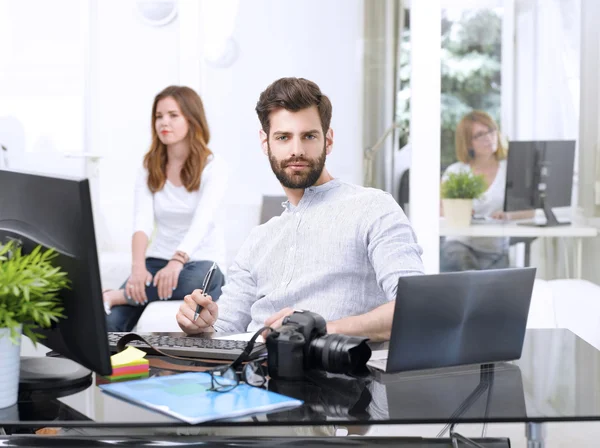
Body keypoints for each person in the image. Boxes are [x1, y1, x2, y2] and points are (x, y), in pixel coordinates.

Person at [176, 77, 424, 342]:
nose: (297, 150)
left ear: (328, 140)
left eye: (309, 136)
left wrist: (319, 330)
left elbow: (416, 308)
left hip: (334, 377)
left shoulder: (373, 209)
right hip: (247, 374)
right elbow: (223, 328)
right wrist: (201, 324)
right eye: (283, 137)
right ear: (265, 143)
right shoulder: (258, 240)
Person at [104, 85, 227, 332]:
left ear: (191, 120)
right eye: (159, 116)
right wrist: (138, 267)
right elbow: (142, 222)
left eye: (173, 115)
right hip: (158, 259)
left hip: (199, 260)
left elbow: (202, 221)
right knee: (109, 324)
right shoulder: (149, 166)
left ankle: (118, 295)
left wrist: (177, 261)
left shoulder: (213, 166)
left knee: (199, 281)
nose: (163, 122)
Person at [440, 110, 533, 272]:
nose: (489, 138)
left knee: (496, 288)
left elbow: (529, 211)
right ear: (468, 143)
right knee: (467, 274)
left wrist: (508, 215)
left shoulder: (510, 170)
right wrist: (460, 212)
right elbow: (440, 208)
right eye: (480, 135)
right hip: (460, 246)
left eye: (491, 131)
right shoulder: (455, 172)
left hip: (495, 250)